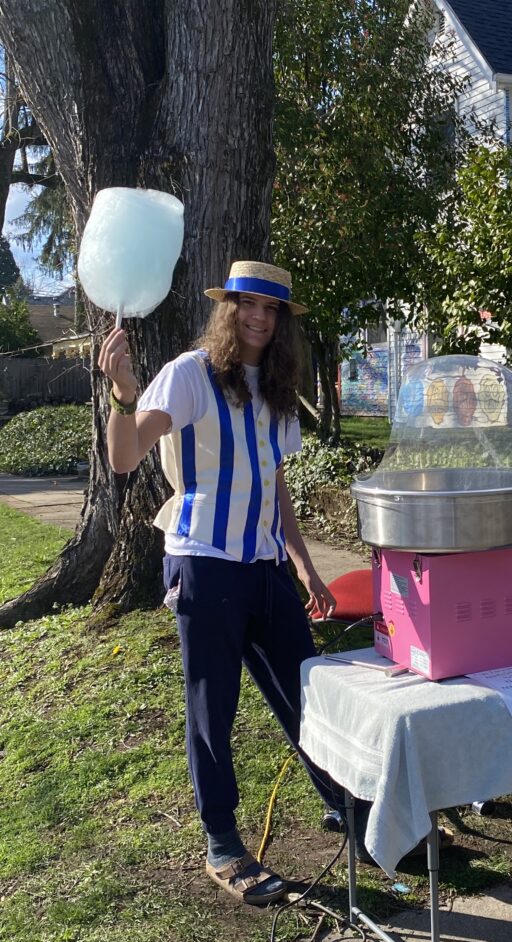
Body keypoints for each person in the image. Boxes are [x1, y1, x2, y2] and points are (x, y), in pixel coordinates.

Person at [98, 260, 344, 906]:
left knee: (309, 700)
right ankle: (224, 846)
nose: (260, 319)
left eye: (273, 311)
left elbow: (276, 484)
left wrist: (304, 565)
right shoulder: (189, 374)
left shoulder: (279, 387)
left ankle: (351, 809)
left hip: (265, 569)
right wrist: (123, 394)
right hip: (204, 564)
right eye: (249, 306)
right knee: (214, 714)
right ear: (228, 310)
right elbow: (126, 457)